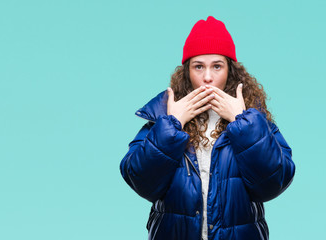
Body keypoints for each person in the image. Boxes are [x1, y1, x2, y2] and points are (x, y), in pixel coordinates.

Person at [120, 16, 295, 240]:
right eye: (198, 66)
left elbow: (273, 183)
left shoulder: (253, 119)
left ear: (230, 71)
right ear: (187, 72)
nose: (208, 77)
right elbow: (140, 181)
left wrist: (242, 122)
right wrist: (172, 125)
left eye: (217, 66)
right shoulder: (164, 116)